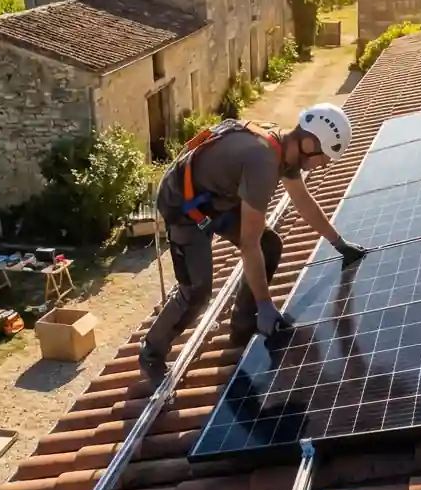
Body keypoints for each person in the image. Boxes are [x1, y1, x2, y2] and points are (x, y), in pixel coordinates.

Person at [138, 102, 370, 381]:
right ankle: (151, 353)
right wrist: (265, 303)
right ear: (309, 143)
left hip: (218, 197)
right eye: (324, 158)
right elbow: (249, 243)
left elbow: (303, 203)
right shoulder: (263, 163)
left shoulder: (285, 149)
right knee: (197, 291)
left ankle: (242, 326)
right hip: (184, 204)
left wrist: (338, 243)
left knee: (270, 245)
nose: (322, 166)